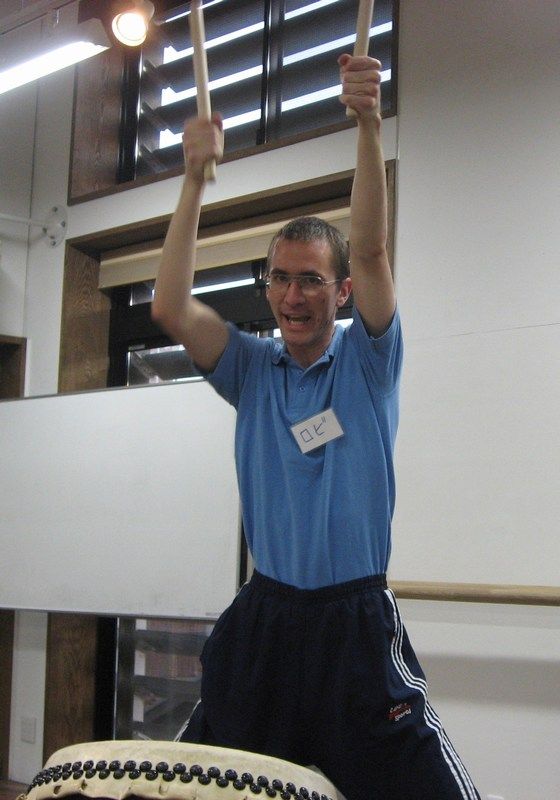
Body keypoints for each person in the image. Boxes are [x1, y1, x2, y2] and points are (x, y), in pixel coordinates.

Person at [152, 54, 480, 800]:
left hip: (354, 627)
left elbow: (372, 248)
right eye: (279, 277)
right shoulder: (249, 368)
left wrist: (367, 124)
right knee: (199, 785)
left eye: (310, 279)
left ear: (342, 291)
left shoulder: (367, 362)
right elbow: (171, 306)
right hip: (266, 619)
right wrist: (194, 179)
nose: (292, 295)